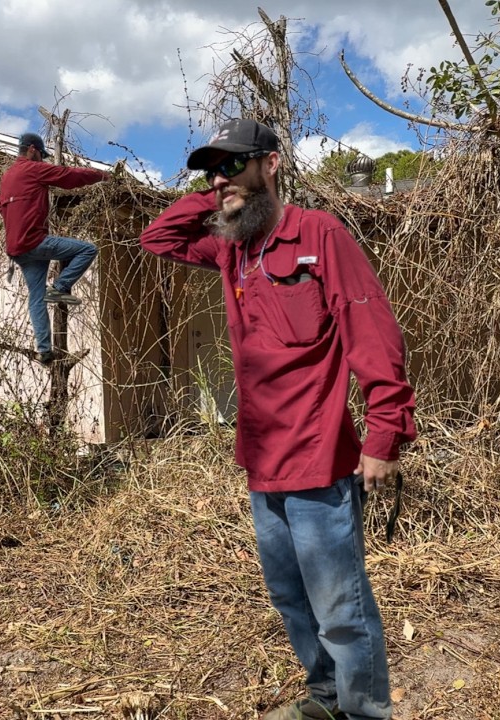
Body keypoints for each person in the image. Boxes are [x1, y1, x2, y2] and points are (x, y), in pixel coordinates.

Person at [140, 118, 416, 720]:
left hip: (319, 460)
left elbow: (370, 329)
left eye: (233, 165)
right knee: (291, 599)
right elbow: (157, 238)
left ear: (272, 163)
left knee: (341, 610)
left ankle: (365, 712)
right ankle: (325, 700)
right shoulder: (232, 250)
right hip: (261, 462)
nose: (219, 180)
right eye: (212, 172)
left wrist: (385, 433)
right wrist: (220, 194)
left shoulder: (319, 235)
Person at [0, 132, 109, 364]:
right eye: (41, 154)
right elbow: (68, 177)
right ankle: (59, 287)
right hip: (34, 241)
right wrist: (101, 175)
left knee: (36, 297)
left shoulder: (7, 176)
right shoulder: (32, 169)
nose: (42, 159)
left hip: (16, 249)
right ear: (32, 149)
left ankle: (44, 350)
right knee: (87, 250)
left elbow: (2, 208)